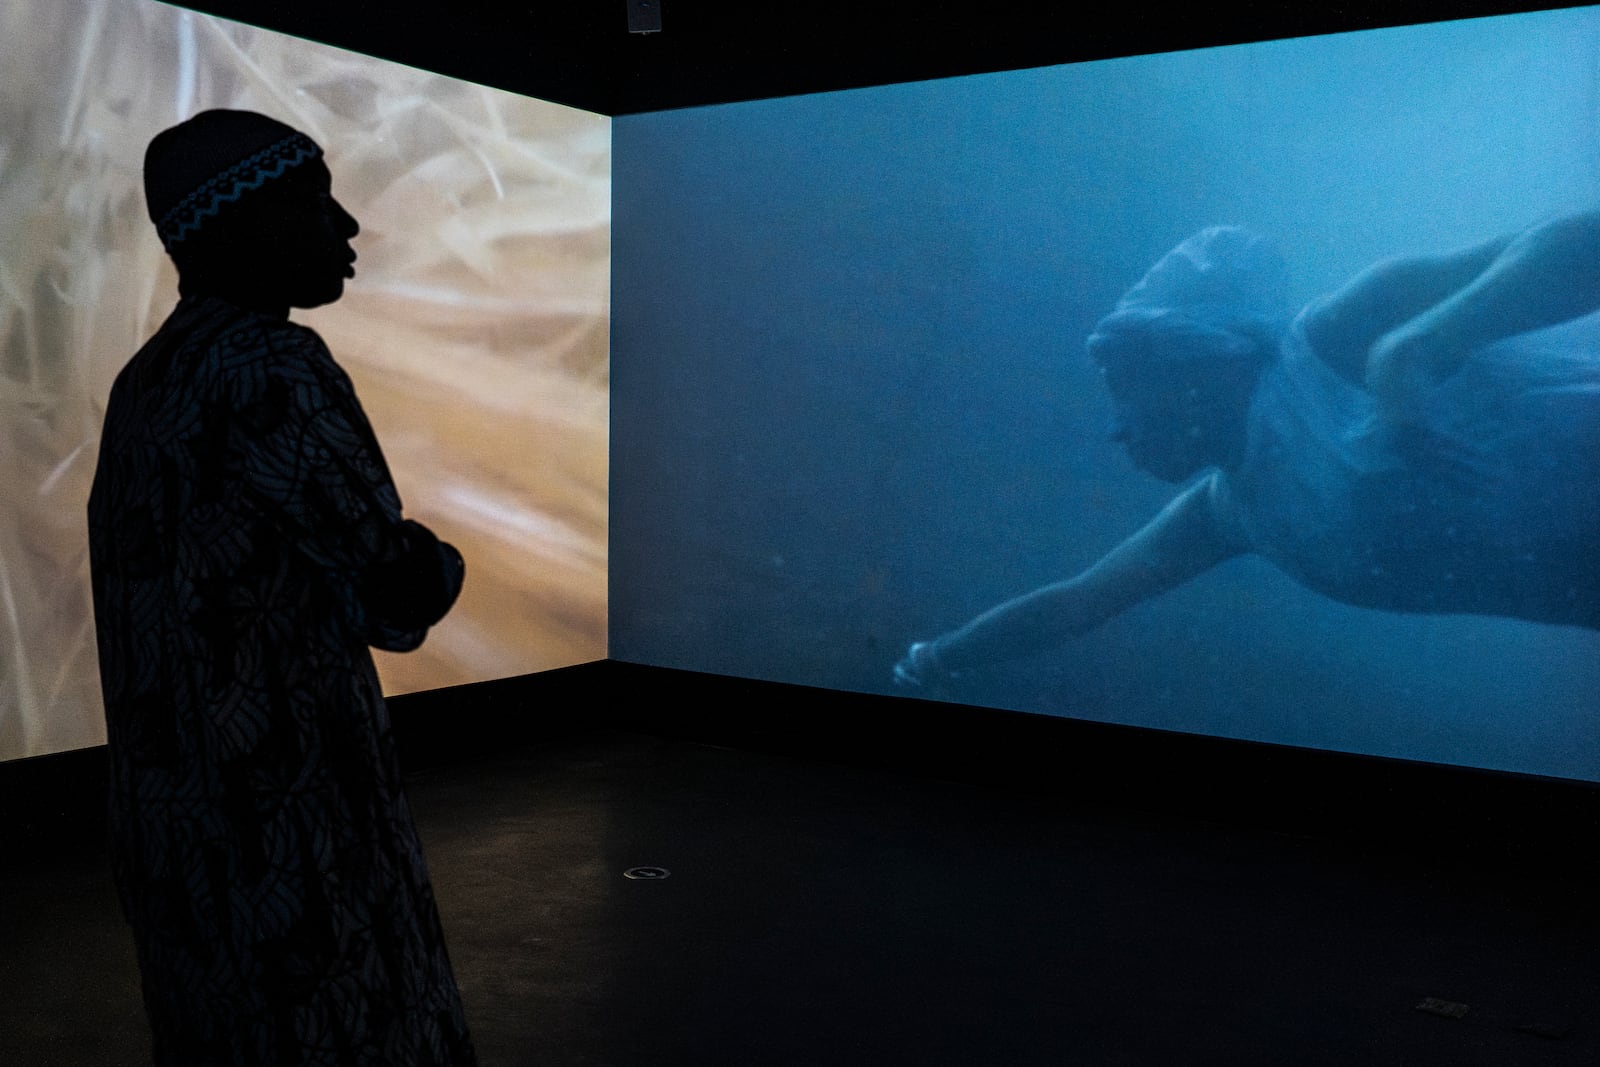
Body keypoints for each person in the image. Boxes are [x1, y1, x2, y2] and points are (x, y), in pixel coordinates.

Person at [87, 110, 476, 1065]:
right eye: (313, 201)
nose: (345, 227)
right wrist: (439, 562)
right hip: (292, 815)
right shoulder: (272, 366)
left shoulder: (147, 381)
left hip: (174, 814)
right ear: (235, 225)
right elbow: (393, 590)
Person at [896, 216, 1600, 691]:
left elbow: (1586, 235)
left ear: (1195, 359)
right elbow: (1074, 605)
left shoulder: (1338, 337)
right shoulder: (1231, 512)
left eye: (1125, 387)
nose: (1117, 429)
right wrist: (931, 661)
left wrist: (1419, 344)